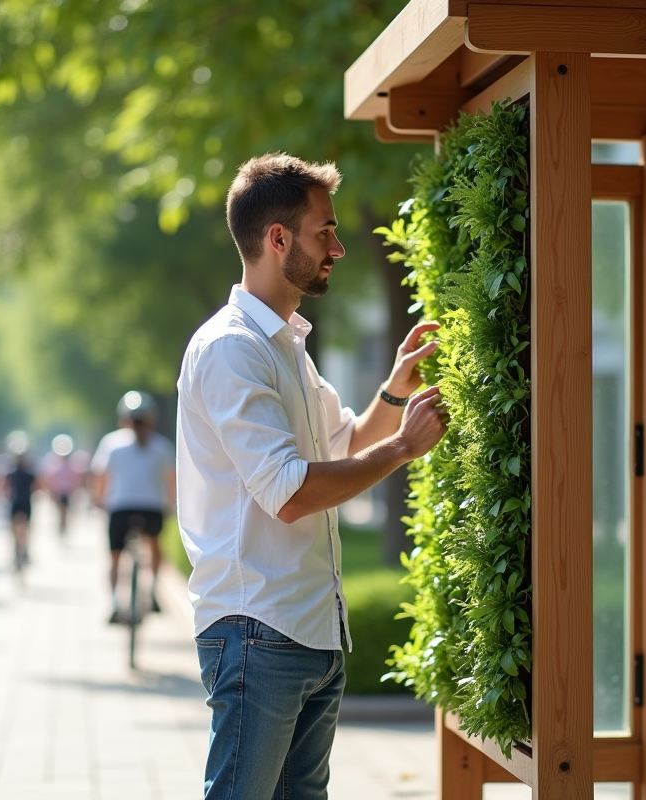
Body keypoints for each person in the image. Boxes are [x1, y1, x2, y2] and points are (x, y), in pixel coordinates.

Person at [176, 154, 447, 799]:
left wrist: (392, 392)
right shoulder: (232, 349)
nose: (339, 246)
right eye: (324, 231)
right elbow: (291, 493)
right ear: (277, 239)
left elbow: (344, 442)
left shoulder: (284, 344)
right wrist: (404, 449)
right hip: (256, 629)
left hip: (307, 630)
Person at [91, 392, 175, 623]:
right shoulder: (162, 446)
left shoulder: (111, 443)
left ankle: (115, 603)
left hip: (120, 508)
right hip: (152, 508)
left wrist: (99, 501)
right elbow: (172, 480)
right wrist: (170, 504)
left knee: (115, 558)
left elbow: (99, 477)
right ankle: (153, 590)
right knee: (155, 546)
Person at [1, 448, 39, 569]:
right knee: (26, 528)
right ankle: (24, 549)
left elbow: (2, 488)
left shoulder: (10, 474)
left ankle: (17, 549)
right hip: (26, 502)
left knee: (14, 528)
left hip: (15, 502)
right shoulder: (30, 474)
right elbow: (38, 486)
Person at [41, 434, 81, 536]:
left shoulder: (72, 463)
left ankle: (63, 524)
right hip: (58, 491)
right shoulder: (53, 461)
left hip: (67, 491)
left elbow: (75, 477)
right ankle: (61, 524)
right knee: (60, 509)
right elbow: (49, 477)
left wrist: (75, 490)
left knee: (65, 509)